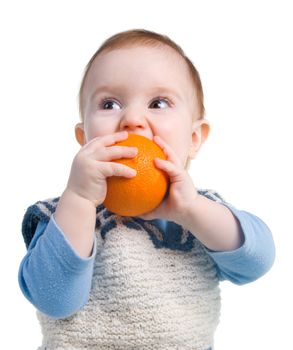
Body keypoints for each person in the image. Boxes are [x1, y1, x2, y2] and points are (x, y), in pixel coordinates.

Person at [18, 29, 275, 350]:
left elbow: (257, 262)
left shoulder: (202, 214)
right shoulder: (61, 217)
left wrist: (192, 211)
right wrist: (80, 200)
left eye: (158, 102)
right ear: (84, 140)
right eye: (109, 104)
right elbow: (54, 300)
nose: (133, 119)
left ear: (194, 138)